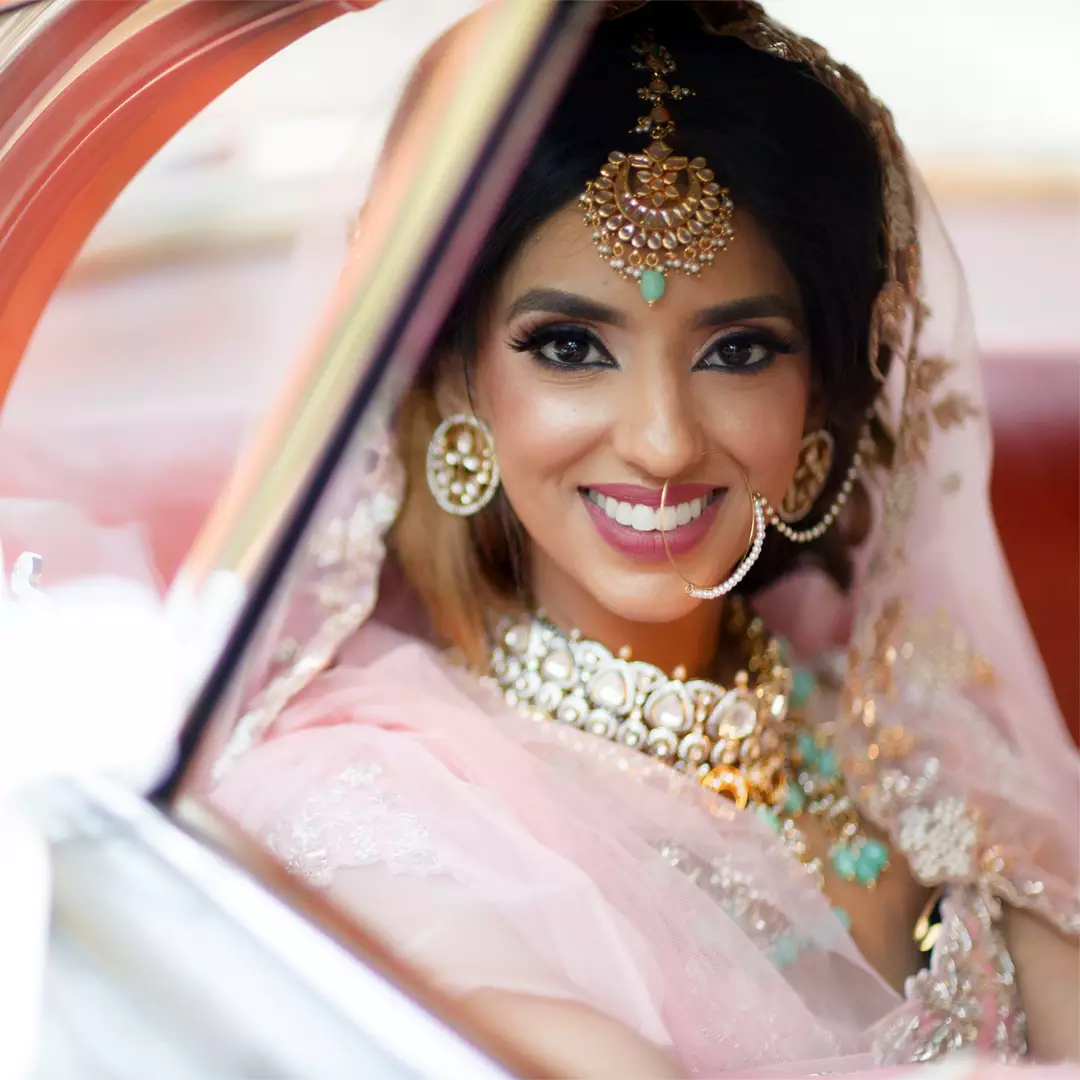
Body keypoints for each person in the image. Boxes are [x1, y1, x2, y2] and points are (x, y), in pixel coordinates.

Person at [208, 3, 1080, 1074]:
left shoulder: (895, 733)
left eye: (739, 351)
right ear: (454, 376)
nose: (663, 442)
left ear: (820, 404)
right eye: (571, 346)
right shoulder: (376, 811)